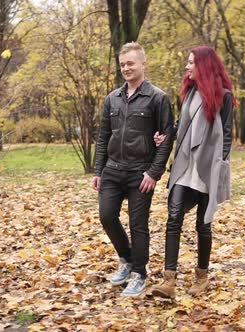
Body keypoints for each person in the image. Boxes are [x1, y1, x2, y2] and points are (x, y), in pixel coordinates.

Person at [152, 46, 235, 298]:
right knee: (173, 217)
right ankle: (169, 281)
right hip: (184, 164)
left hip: (207, 167)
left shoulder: (224, 96)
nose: (187, 67)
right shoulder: (189, 94)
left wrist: (218, 168)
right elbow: (182, 125)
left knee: (203, 224)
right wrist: (166, 136)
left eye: (191, 63)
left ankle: (202, 276)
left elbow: (227, 135)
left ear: (204, 66)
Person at [92, 42, 174, 297]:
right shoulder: (112, 98)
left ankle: (139, 273)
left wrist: (153, 173)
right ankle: (126, 260)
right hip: (113, 170)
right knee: (107, 216)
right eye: (122, 64)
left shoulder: (158, 98)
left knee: (139, 224)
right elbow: (103, 136)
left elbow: (166, 138)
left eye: (130, 63)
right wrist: (98, 170)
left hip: (140, 173)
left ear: (143, 65)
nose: (126, 68)